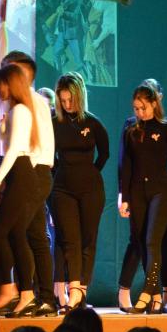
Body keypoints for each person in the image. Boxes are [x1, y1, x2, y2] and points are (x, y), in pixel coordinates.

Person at [118, 85, 167, 314]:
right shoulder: (130, 128)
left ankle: (147, 292)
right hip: (137, 190)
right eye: (136, 108)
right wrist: (124, 197)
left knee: (152, 241)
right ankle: (156, 297)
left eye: (144, 108)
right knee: (140, 240)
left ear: (155, 104)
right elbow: (125, 165)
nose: (140, 112)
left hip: (161, 190)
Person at [0, 64, 40, 317]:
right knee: (16, 235)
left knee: (0, 233)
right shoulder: (14, 111)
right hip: (16, 176)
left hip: (22, 175)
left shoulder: (21, 111)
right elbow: (7, 146)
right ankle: (25, 294)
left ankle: (10, 288)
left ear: (11, 84)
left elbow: (15, 149)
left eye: (0, 85)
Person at [49, 72, 108, 312]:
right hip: (62, 189)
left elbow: (105, 153)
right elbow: (49, 155)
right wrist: (60, 175)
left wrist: (90, 172)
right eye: (62, 100)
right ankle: (73, 289)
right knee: (70, 239)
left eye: (70, 100)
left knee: (88, 240)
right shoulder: (54, 122)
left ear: (80, 96)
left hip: (91, 189)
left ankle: (81, 291)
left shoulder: (92, 123)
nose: (67, 104)